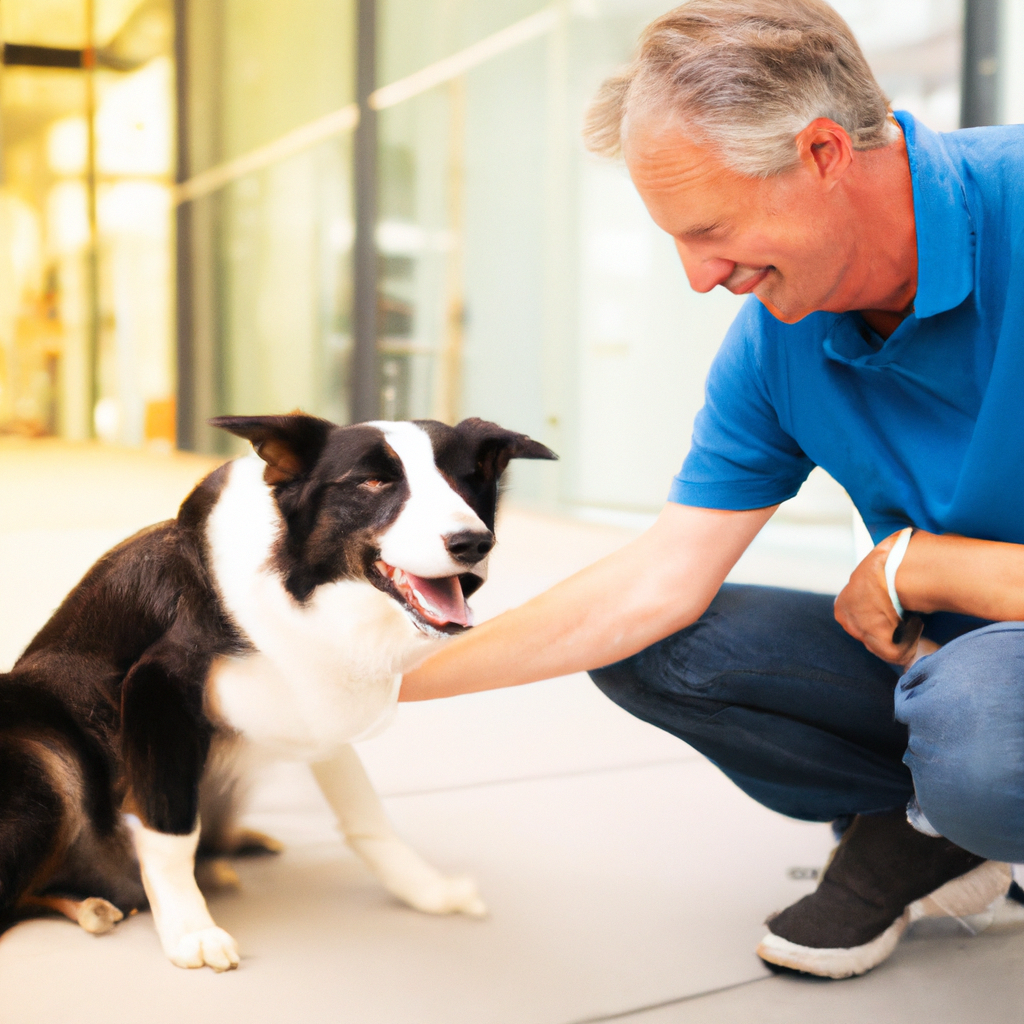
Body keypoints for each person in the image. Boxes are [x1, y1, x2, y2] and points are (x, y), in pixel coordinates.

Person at [400, 0, 1024, 979]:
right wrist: (368, 680)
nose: (698, 277)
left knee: (987, 735)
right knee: (658, 648)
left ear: (822, 152)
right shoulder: (780, 338)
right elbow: (658, 579)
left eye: (712, 228)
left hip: (986, 668)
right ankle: (936, 822)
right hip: (949, 655)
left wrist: (928, 563)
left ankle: (962, 799)